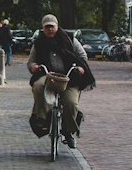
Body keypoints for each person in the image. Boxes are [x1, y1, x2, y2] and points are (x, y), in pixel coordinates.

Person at [27, 14, 96, 148]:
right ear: (43, 28)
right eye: (47, 27)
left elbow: (82, 56)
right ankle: (41, 118)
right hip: (47, 76)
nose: (50, 30)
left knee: (70, 102)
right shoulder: (39, 42)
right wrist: (34, 67)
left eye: (52, 27)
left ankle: (68, 131)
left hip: (69, 78)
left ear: (57, 26)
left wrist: (81, 68)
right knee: (38, 86)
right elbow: (31, 61)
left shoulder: (69, 39)